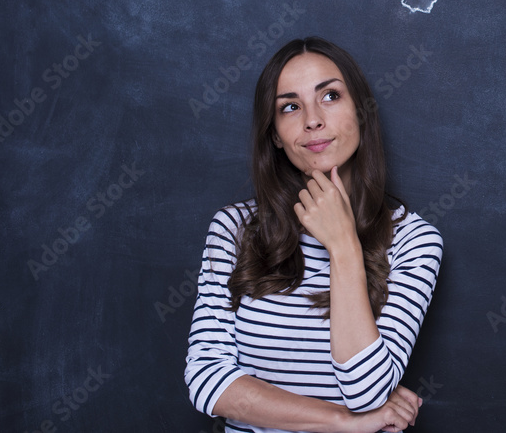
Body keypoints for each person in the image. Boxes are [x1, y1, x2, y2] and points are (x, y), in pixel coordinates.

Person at [185, 37, 443, 433]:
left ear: (361, 111)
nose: (312, 120)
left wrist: (342, 246)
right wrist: (342, 421)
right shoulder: (235, 230)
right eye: (290, 107)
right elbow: (207, 382)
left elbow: (368, 393)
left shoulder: (414, 241)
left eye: (330, 96)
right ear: (274, 134)